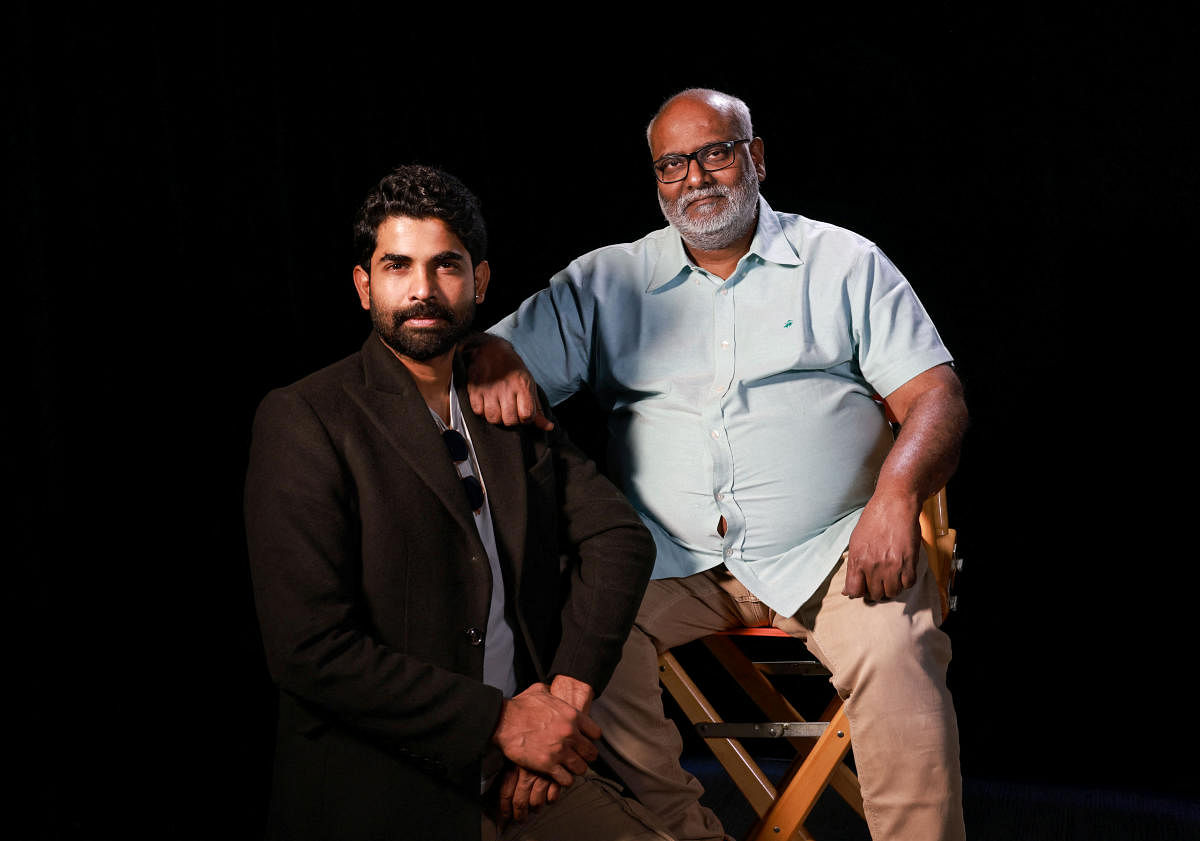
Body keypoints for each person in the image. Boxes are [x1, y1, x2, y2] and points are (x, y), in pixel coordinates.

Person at [465, 89, 969, 841]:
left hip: (835, 551)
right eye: (672, 164)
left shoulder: (843, 260)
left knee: (901, 655)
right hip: (668, 563)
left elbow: (938, 396)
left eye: (716, 152)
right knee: (581, 642)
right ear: (657, 180)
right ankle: (682, 833)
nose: (695, 176)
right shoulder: (610, 279)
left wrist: (895, 498)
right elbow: (494, 351)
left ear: (756, 158)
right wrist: (497, 355)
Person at [244, 165, 677, 841]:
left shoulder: (501, 396)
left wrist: (560, 701)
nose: (421, 289)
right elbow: (309, 649)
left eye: (445, 265)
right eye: (397, 266)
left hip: (526, 780)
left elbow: (619, 536)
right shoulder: (307, 417)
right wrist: (502, 722)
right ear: (364, 287)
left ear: (478, 280)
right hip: (390, 793)